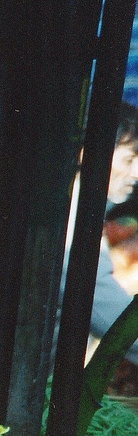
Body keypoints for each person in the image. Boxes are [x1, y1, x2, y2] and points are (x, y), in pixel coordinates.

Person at [60, 101, 138, 365]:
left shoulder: (83, 207)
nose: (137, 173)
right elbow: (114, 320)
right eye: (129, 159)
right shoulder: (73, 218)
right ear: (87, 154)